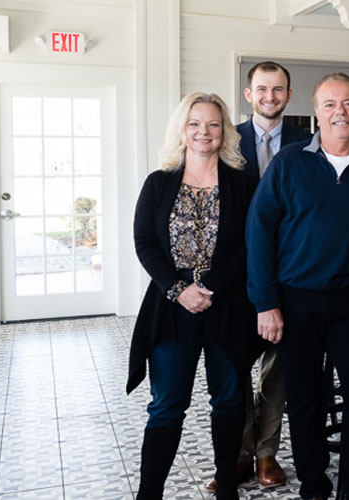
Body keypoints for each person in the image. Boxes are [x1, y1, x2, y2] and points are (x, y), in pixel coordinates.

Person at [246, 73, 349, 500]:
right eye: (330, 104)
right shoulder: (289, 163)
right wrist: (266, 303)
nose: (340, 112)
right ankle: (314, 484)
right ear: (316, 112)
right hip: (295, 298)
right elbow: (259, 233)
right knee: (304, 400)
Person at [128, 92, 258, 500]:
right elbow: (145, 242)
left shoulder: (242, 183)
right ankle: (149, 493)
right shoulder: (159, 183)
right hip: (172, 307)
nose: (204, 132)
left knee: (229, 398)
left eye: (214, 124)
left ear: (225, 132)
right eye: (195, 124)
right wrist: (180, 289)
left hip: (228, 306)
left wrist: (212, 287)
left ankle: (226, 488)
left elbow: (251, 245)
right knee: (167, 403)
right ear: (182, 130)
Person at [205, 60, 312, 493]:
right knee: (233, 371)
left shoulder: (309, 143)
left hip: (290, 273)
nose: (270, 96)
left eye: (278, 89)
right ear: (248, 94)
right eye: (262, 89)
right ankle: (238, 454)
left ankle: (266, 452)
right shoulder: (226, 142)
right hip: (236, 275)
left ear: (289, 94)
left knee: (278, 369)